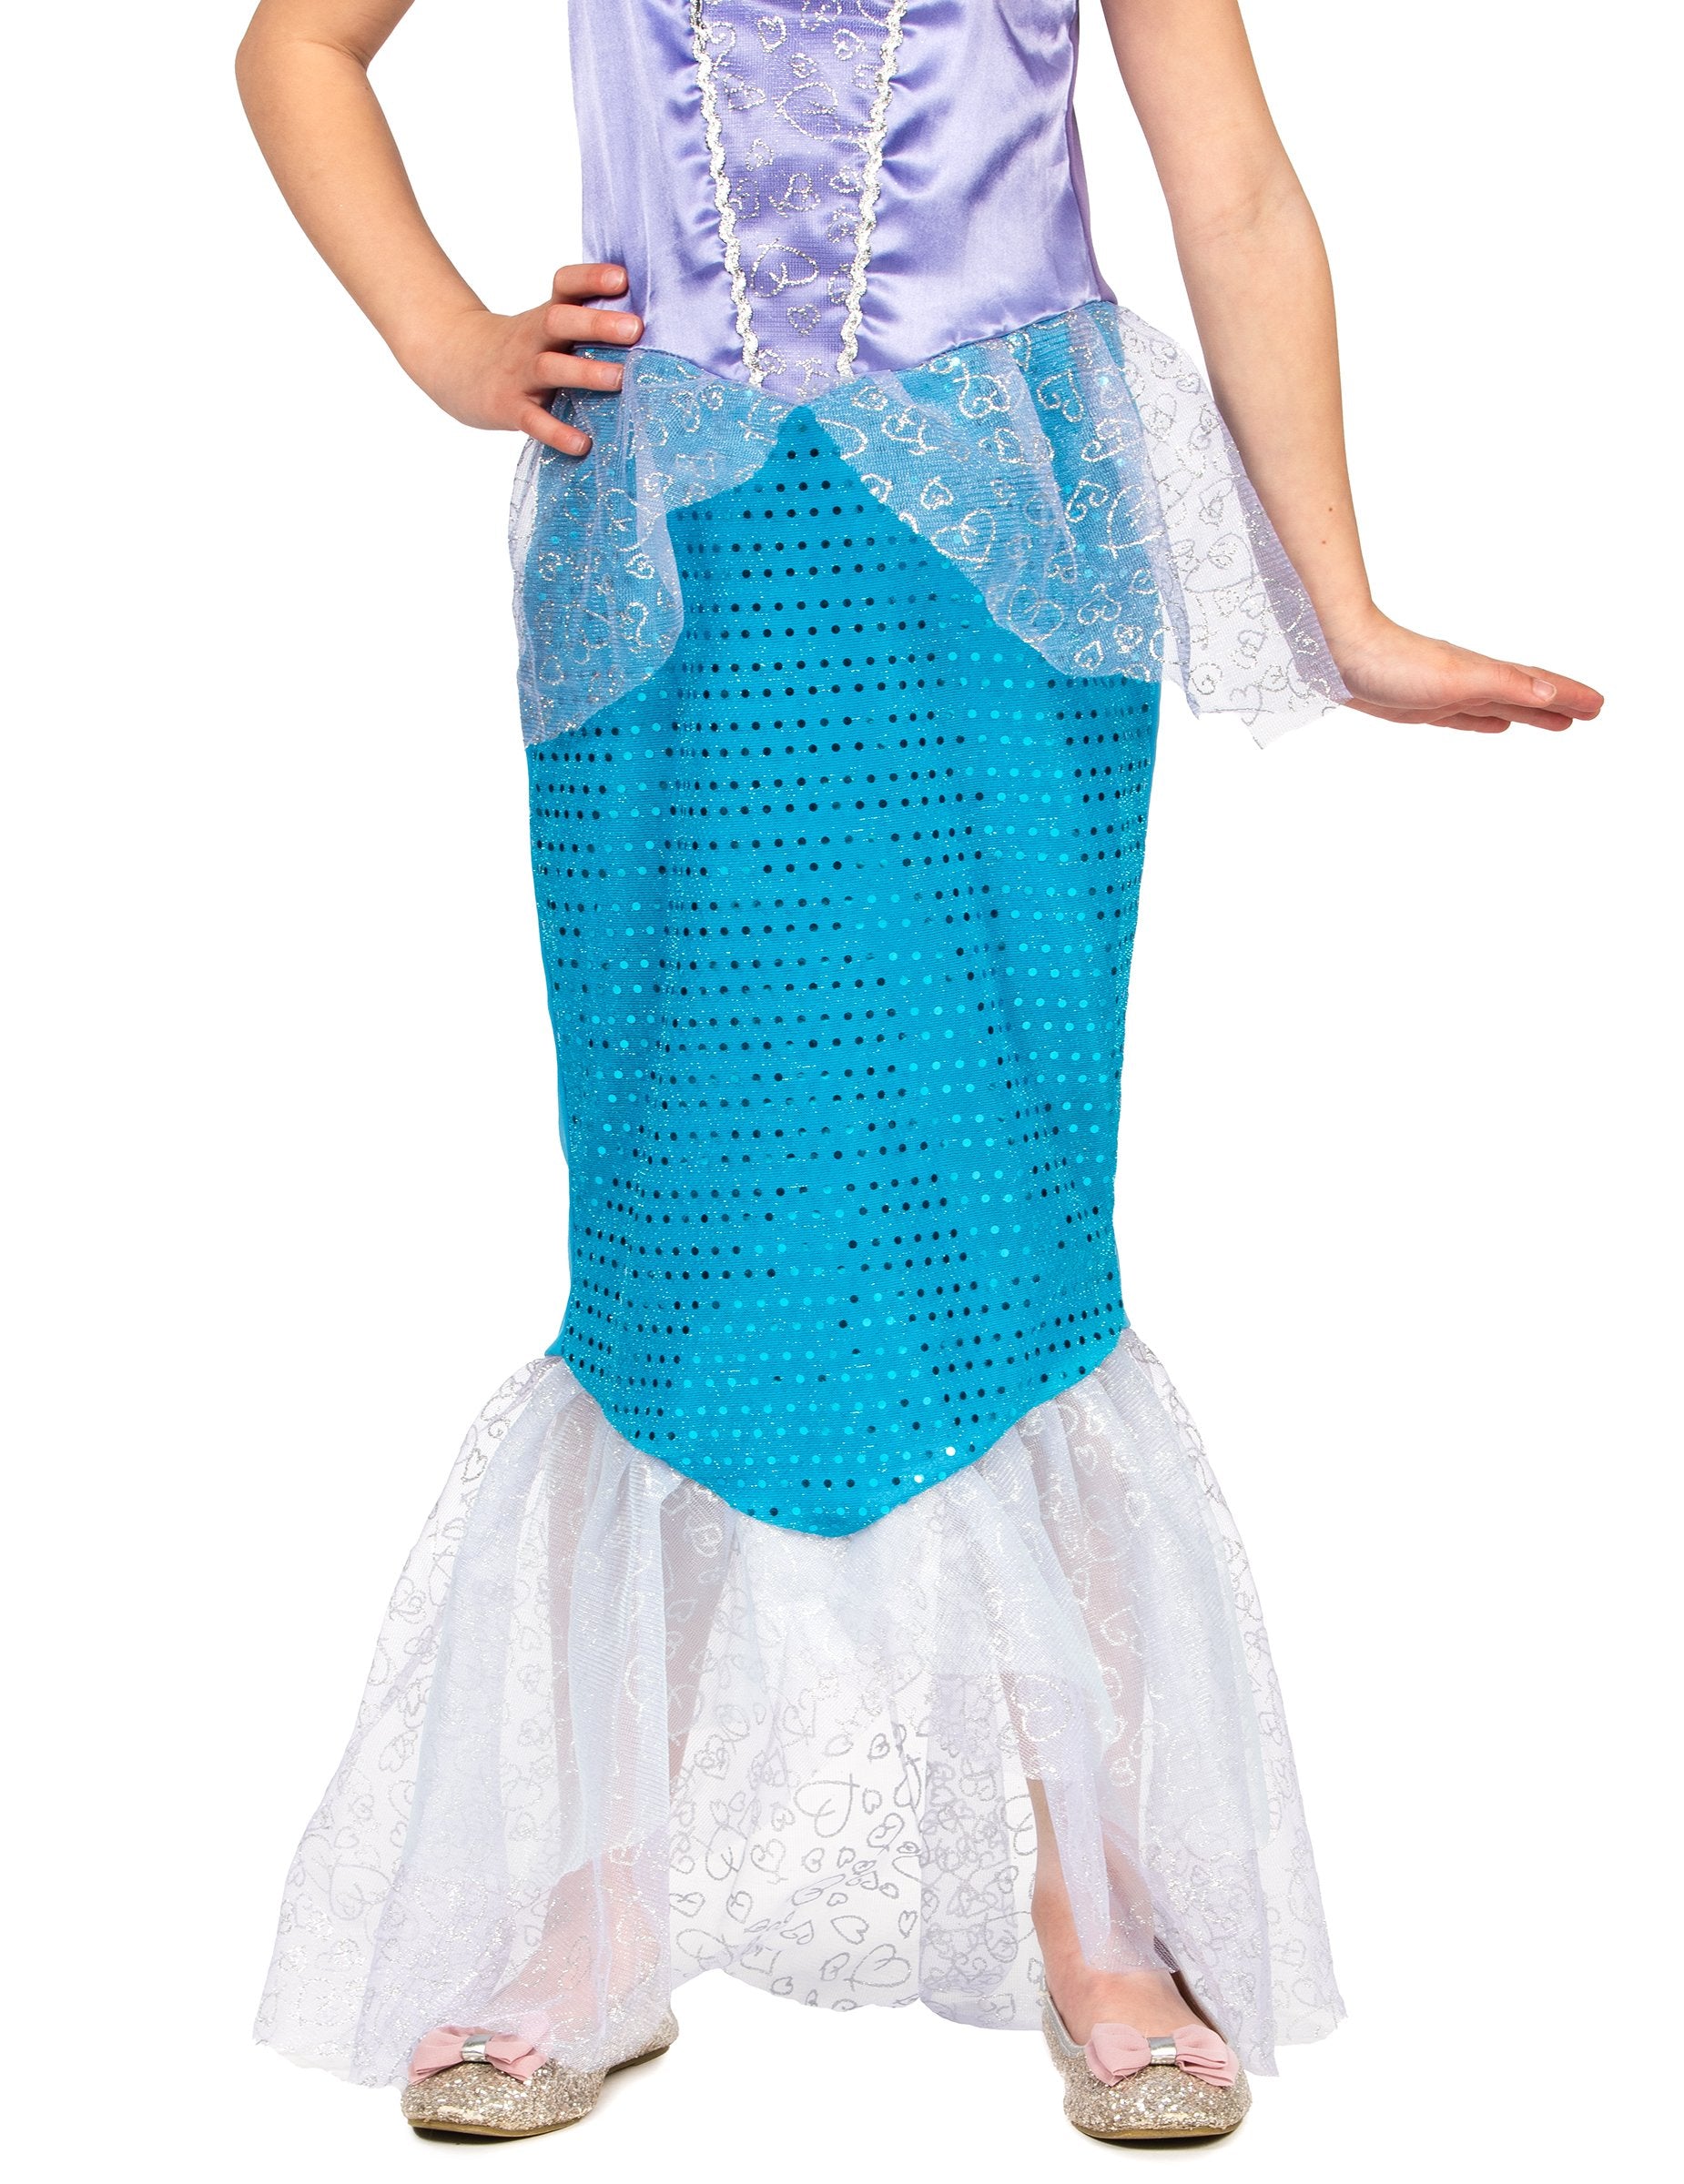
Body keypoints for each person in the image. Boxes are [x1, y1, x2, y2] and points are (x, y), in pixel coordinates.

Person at [238, 0, 1600, 2147]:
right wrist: (447, 338)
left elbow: (1234, 189)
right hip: (677, 546)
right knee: (674, 1216)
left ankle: (1098, 1905)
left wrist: (1335, 600)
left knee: (995, 1203)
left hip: (1000, 550)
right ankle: (598, 1904)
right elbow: (299, 43)